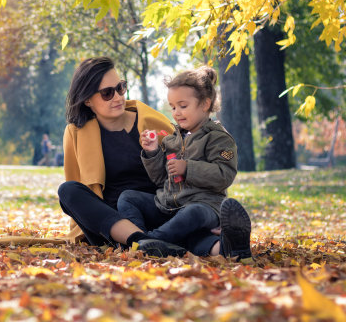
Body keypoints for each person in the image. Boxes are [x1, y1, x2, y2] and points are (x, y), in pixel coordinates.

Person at [57, 56, 251, 258]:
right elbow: (79, 184)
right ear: (87, 99)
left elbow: (203, 166)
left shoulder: (150, 120)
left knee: (188, 226)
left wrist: (215, 213)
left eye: (121, 88)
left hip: (163, 208)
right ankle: (140, 241)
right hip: (113, 223)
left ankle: (217, 248)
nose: (117, 97)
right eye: (107, 93)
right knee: (68, 191)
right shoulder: (76, 132)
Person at [117, 66, 251, 259]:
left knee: (193, 213)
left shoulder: (218, 138)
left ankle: (149, 241)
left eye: (183, 106)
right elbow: (160, 179)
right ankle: (154, 241)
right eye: (172, 107)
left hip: (204, 207)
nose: (176, 113)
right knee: (128, 197)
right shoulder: (173, 139)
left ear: (205, 104)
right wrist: (153, 151)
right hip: (169, 206)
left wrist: (188, 168)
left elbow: (224, 175)